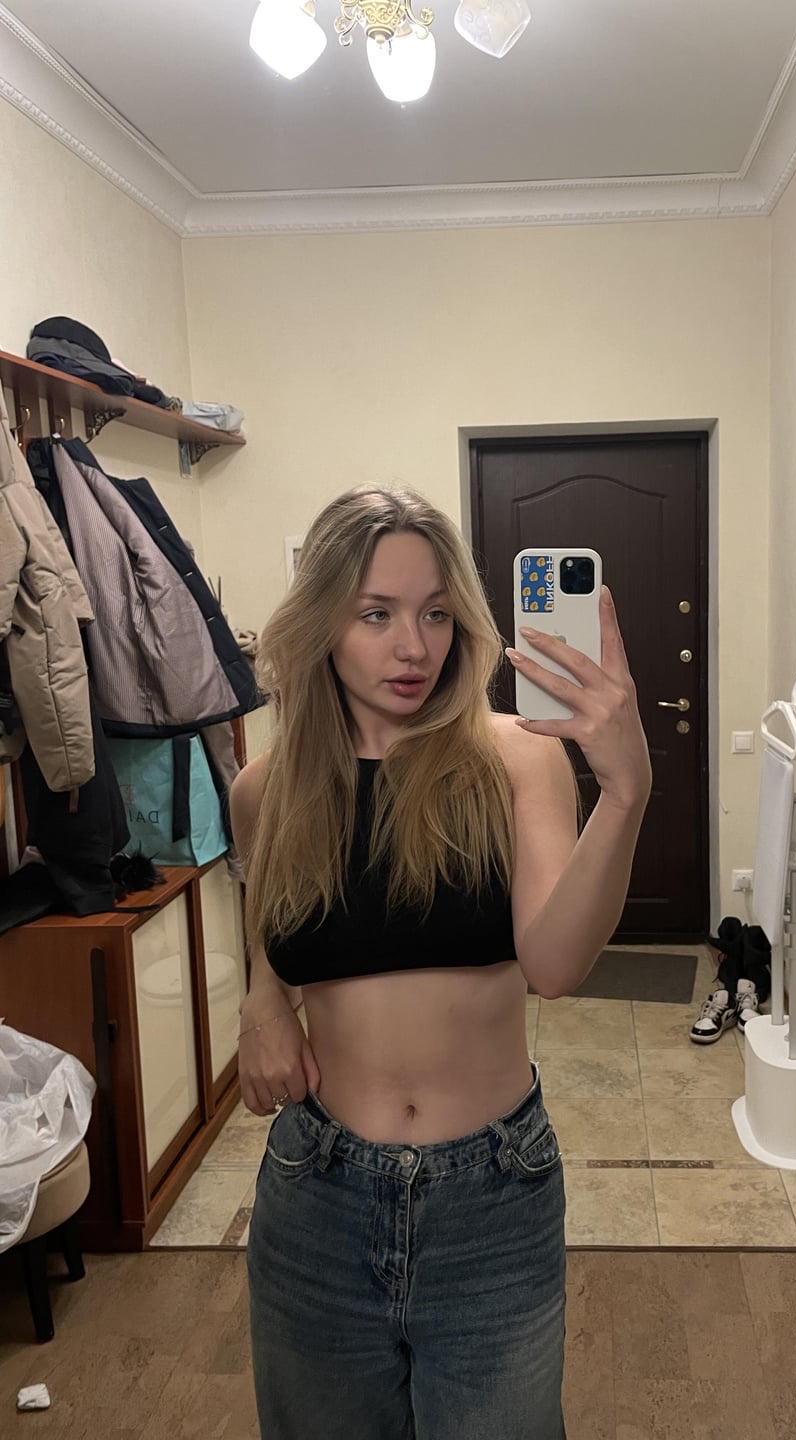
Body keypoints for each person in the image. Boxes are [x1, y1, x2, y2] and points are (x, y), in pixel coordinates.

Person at [231, 487, 651, 1440]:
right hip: (317, 1193)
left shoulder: (515, 760)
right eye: (376, 615)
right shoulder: (265, 791)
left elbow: (555, 964)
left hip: (491, 1197)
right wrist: (262, 998)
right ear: (322, 624)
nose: (413, 648)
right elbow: (273, 916)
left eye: (434, 614)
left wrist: (625, 791)